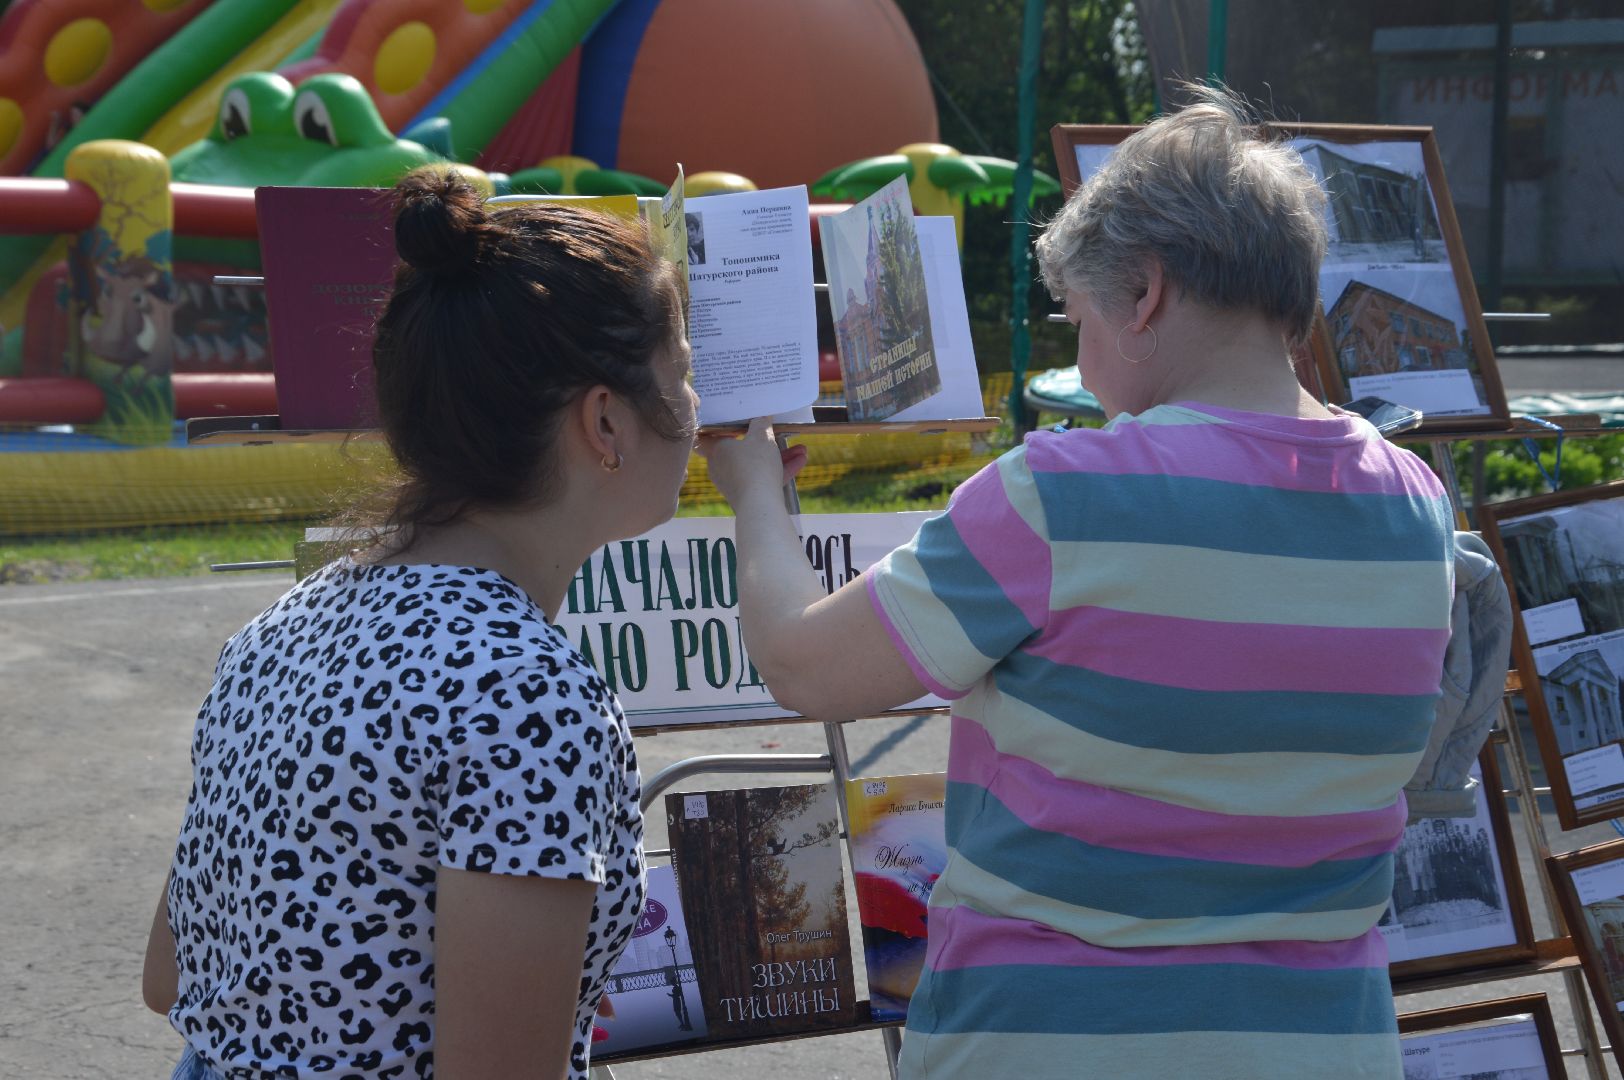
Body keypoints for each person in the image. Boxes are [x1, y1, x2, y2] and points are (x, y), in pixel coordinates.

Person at [700, 88, 1455, 1079]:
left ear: (1142, 293)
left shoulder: (1065, 496)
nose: (1082, 362)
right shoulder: (1415, 507)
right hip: (1319, 1044)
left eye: (1079, 319)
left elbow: (802, 665)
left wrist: (755, 494)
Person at [144, 170, 698, 1079]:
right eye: (683, 374)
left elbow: (172, 977)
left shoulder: (283, 628)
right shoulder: (528, 699)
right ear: (605, 420)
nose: (697, 409)